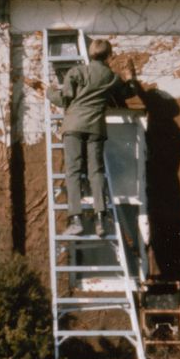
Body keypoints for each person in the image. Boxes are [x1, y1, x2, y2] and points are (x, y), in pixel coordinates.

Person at [48, 37, 138, 237]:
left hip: (73, 126)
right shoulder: (111, 77)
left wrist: (49, 92)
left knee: (73, 172)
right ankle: (100, 220)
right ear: (109, 55)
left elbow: (64, 100)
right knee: (95, 172)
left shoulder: (77, 72)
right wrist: (131, 76)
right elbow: (129, 92)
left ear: (90, 53)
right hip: (96, 127)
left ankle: (76, 219)